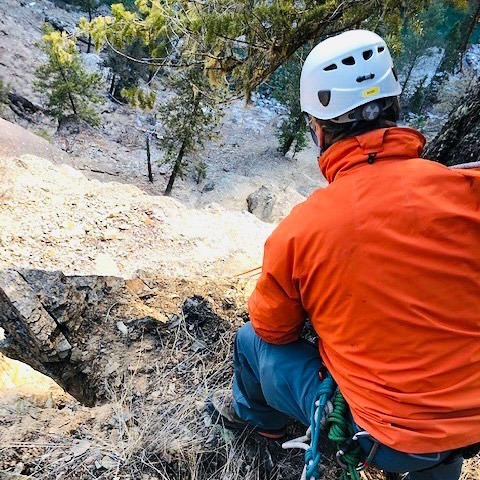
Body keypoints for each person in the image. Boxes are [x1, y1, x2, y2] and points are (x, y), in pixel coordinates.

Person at [208, 30, 480, 479]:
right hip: (472, 425)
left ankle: (262, 426)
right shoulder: (467, 192)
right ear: (394, 108)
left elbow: (272, 329)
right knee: (438, 433)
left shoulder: (303, 230)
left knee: (249, 343)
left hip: (382, 437)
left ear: (319, 129)